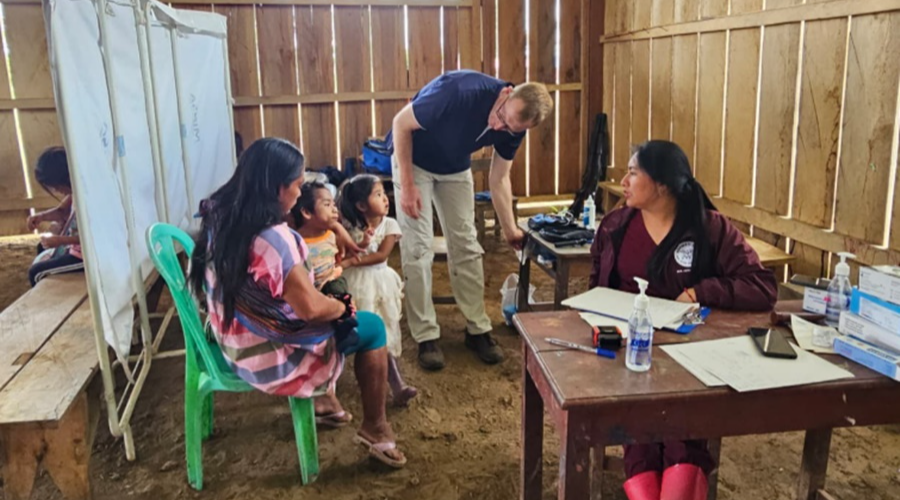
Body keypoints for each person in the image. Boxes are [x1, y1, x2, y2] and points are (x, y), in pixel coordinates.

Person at [189, 137, 406, 468]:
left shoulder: (220, 217)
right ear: (278, 188)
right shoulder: (275, 241)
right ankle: (375, 427)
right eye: (297, 184)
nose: (299, 191)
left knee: (325, 311)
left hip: (226, 334)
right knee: (371, 327)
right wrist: (342, 307)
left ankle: (325, 402)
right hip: (263, 355)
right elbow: (311, 310)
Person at [589, 140, 777, 499]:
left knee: (684, 436)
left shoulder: (710, 229)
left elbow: (762, 286)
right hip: (630, 355)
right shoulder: (616, 225)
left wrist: (701, 291)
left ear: (661, 185)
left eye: (632, 172)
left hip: (691, 359)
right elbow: (596, 290)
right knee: (639, 438)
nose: (623, 181)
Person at [387, 69, 553, 370]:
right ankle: (426, 334)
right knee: (418, 245)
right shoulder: (458, 91)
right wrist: (408, 186)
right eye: (502, 117)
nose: (497, 126)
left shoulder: (515, 126)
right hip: (414, 161)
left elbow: (500, 179)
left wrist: (510, 230)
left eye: (509, 128)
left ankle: (477, 327)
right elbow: (400, 124)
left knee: (466, 243)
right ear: (507, 93)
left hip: (454, 167)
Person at [339, 174, 418, 407]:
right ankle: (329, 386)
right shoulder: (348, 227)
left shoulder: (390, 225)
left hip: (380, 283)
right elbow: (341, 251)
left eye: (384, 193)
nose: (386, 199)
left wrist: (352, 262)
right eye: (378, 194)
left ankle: (397, 385)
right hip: (354, 285)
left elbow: (381, 255)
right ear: (361, 205)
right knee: (350, 329)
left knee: (383, 330)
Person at [26, 147, 84, 286]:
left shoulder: (87, 196)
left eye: (56, 186)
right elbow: (61, 211)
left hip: (85, 257)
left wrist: (61, 240)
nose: (56, 190)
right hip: (76, 249)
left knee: (36, 272)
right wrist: (41, 216)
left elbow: (93, 239)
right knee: (42, 247)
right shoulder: (74, 192)